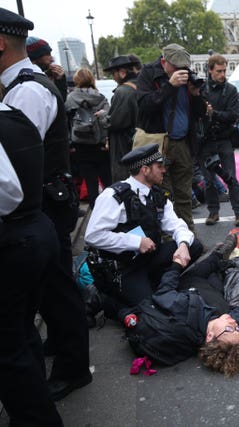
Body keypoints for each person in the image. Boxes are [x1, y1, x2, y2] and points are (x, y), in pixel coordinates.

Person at [0, 8, 92, 402]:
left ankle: (72, 367)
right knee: (49, 287)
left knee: (56, 287)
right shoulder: (23, 86)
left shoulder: (27, 89)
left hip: (43, 203)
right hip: (42, 201)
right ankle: (58, 354)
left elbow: (17, 157)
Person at [0, 99, 63, 425]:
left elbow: (7, 192)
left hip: (16, 238)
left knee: (10, 347)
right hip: (34, 230)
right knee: (22, 335)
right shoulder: (17, 116)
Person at [85, 144, 203, 313]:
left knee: (193, 245)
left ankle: (157, 283)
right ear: (145, 170)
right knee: (151, 309)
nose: (164, 171)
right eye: (159, 167)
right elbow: (93, 236)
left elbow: (176, 225)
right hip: (125, 267)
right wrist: (136, 242)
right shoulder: (114, 196)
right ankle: (103, 298)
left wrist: (183, 244)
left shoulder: (156, 195)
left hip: (148, 259)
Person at [115, 237, 239, 376]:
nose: (234, 323)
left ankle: (217, 255)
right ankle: (220, 258)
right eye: (238, 329)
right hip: (210, 291)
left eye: (230, 329)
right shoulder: (223, 324)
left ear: (210, 336)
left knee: (203, 259)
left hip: (187, 285)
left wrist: (177, 265)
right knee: (225, 283)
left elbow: (164, 290)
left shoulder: (184, 312)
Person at [136, 43, 206, 230]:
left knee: (184, 194)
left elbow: (200, 113)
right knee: (162, 194)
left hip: (182, 142)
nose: (181, 71)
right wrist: (170, 86)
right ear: (163, 62)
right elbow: (144, 106)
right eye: (176, 67)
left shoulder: (188, 76)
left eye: (184, 67)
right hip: (159, 143)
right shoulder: (149, 74)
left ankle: (188, 237)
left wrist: (196, 94)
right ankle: (167, 238)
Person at [200, 54, 239, 227]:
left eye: (224, 70)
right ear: (210, 70)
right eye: (219, 71)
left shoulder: (231, 90)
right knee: (209, 179)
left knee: (231, 177)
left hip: (224, 138)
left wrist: (214, 114)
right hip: (206, 140)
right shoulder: (202, 90)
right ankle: (213, 211)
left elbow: (233, 115)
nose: (222, 74)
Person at [65, 68, 111, 208]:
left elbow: (67, 122)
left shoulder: (71, 98)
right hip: (99, 145)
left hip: (80, 145)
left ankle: (95, 210)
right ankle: (112, 210)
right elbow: (107, 122)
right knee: (108, 182)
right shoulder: (100, 97)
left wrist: (70, 144)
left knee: (91, 183)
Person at [104, 55, 139, 182]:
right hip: (138, 142)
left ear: (122, 72)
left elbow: (115, 122)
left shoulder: (123, 91)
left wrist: (104, 116)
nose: (113, 77)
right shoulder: (141, 85)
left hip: (125, 146)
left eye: (114, 73)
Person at [26, 36, 67, 101]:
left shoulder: (35, 77)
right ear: (36, 55)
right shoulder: (28, 82)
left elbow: (58, 103)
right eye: (48, 54)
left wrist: (59, 81)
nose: (52, 59)